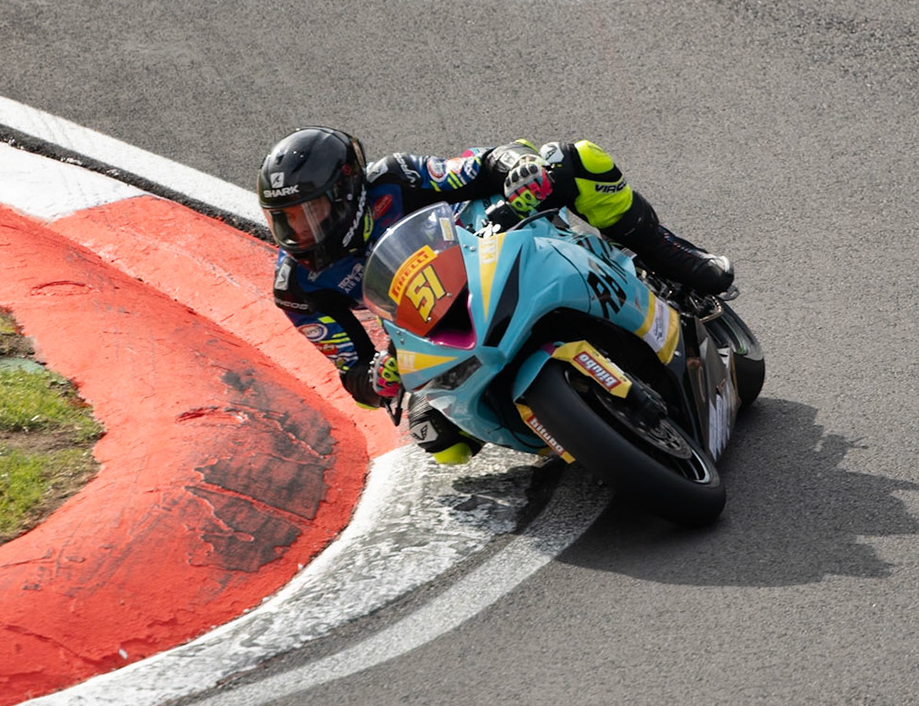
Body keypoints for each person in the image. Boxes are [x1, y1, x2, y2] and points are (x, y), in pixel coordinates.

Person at [258, 127, 733, 464]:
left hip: (482, 245)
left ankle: (669, 254)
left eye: (308, 214)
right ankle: (571, 429)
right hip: (423, 327)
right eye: (284, 221)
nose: (298, 233)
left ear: (346, 192)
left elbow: (480, 165)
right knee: (440, 442)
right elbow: (353, 373)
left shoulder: (395, 178)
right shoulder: (297, 286)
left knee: (576, 160)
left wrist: (520, 169)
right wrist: (377, 379)